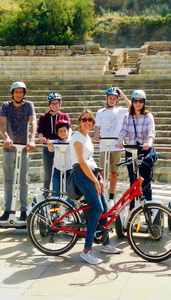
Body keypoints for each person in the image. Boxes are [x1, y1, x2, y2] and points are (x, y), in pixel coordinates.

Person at [72, 110, 121, 264]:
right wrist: (94, 180)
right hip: (81, 175)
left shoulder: (87, 137)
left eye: (90, 120)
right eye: (84, 119)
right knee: (97, 209)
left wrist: (98, 177)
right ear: (80, 121)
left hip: (90, 174)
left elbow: (90, 159)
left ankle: (105, 243)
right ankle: (86, 250)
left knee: (104, 208)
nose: (87, 122)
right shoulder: (77, 137)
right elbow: (81, 162)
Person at [0, 81, 37, 222]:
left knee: (23, 181)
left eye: (21, 92)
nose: (19, 94)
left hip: (24, 147)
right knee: (8, 179)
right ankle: (8, 210)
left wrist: (32, 139)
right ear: (12, 93)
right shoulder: (6, 106)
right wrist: (6, 138)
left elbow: (33, 122)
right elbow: (1, 124)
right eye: (16, 92)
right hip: (9, 147)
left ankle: (24, 210)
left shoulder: (28, 105)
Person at [116, 89, 157, 202]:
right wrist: (120, 141)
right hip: (131, 150)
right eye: (135, 101)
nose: (138, 104)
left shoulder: (148, 116)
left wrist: (148, 143)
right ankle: (132, 208)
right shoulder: (128, 116)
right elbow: (123, 130)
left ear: (144, 102)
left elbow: (151, 132)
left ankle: (149, 208)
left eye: (140, 101)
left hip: (143, 151)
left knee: (145, 181)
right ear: (132, 102)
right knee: (133, 181)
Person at [94, 86, 130, 205]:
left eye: (114, 98)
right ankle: (102, 194)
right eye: (110, 98)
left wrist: (122, 93)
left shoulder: (119, 111)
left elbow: (132, 107)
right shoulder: (101, 112)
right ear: (107, 98)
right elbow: (97, 126)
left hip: (116, 145)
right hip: (105, 145)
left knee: (114, 172)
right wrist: (96, 135)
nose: (112, 100)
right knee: (102, 172)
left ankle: (111, 196)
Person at [37, 92, 71, 193]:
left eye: (56, 103)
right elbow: (40, 132)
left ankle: (66, 195)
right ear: (49, 104)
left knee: (64, 170)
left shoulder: (64, 116)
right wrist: (42, 138)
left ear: (59, 104)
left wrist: (68, 139)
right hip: (48, 144)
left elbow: (69, 129)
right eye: (53, 103)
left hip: (61, 145)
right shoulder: (43, 117)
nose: (55, 105)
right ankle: (46, 196)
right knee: (48, 173)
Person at [47, 120, 72, 195]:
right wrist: (50, 145)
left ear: (68, 131)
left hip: (69, 169)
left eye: (64, 131)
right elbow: (50, 149)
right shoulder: (56, 142)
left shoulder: (72, 141)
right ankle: (54, 206)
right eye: (60, 131)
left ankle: (70, 206)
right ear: (57, 133)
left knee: (70, 192)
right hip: (58, 169)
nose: (63, 133)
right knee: (56, 192)